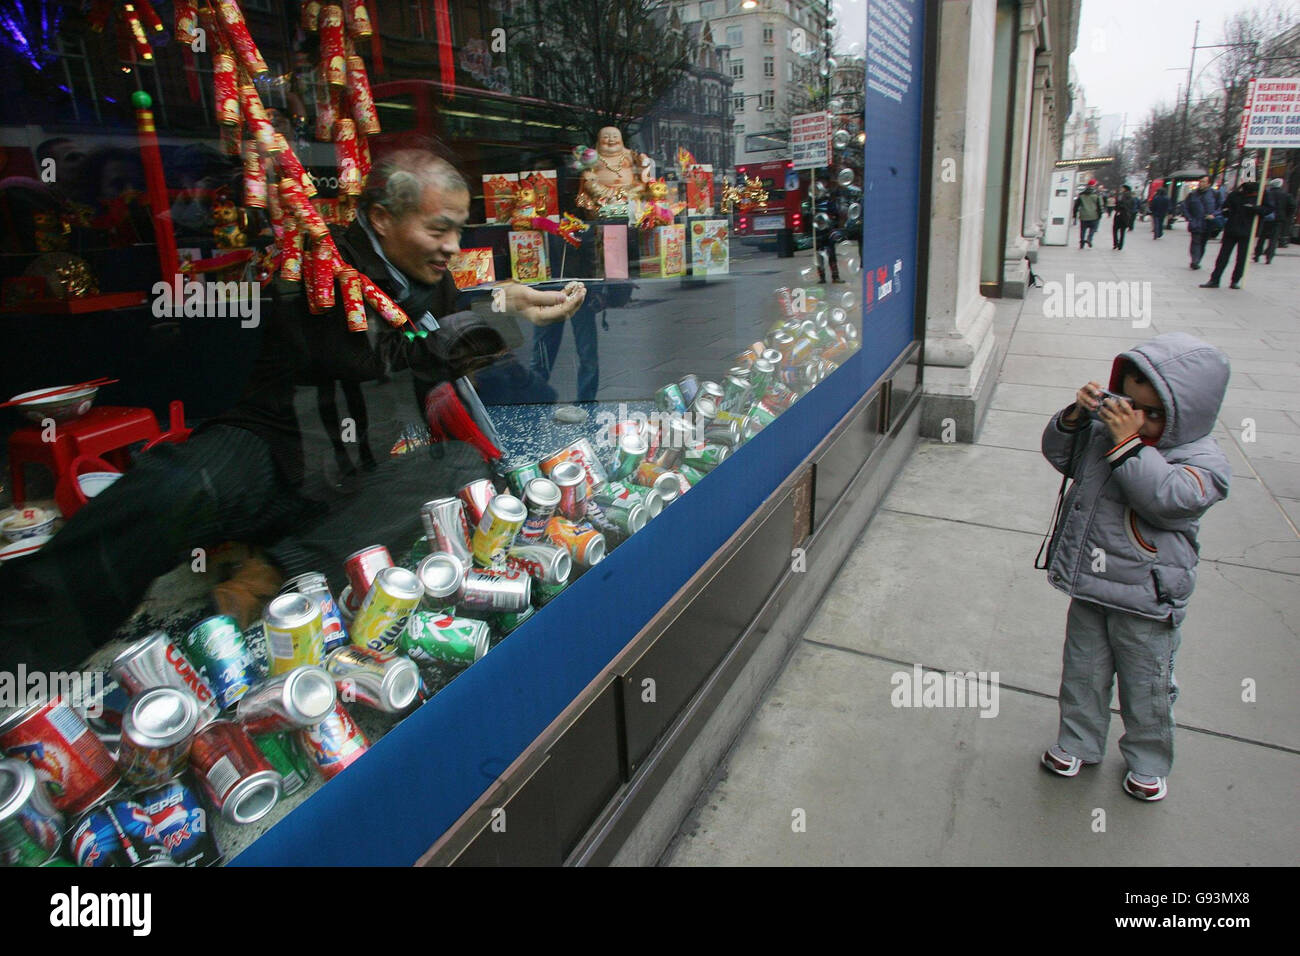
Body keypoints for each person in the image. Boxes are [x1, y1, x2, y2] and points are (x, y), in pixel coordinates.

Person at [0, 149, 586, 671]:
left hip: (351, 470)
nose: (453, 246)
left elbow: (442, 325)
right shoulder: (317, 266)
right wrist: (507, 317)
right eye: (440, 229)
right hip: (274, 447)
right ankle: (21, 654)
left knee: (457, 468)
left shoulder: (428, 276)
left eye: (458, 231)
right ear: (383, 217)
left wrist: (503, 297)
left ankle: (272, 572)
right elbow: (392, 356)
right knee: (170, 490)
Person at [1039, 332, 1230, 802]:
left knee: (1147, 683)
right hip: (1092, 581)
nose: (1135, 419)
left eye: (1153, 413)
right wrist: (1076, 418)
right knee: (1083, 669)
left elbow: (1167, 500)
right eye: (1127, 402)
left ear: (1188, 414)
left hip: (1147, 597)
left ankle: (1147, 757)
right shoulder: (1106, 431)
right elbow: (1062, 456)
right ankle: (1078, 740)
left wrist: (1128, 445)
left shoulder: (1202, 460)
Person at [1200, 180, 1261, 290]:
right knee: (1224, 256)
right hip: (1233, 229)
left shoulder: (1259, 196)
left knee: (1241, 258)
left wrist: (1255, 209)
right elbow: (1225, 208)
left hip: (1247, 231)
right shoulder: (1235, 196)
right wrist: (1228, 212)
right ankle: (1215, 279)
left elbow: (1267, 209)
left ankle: (1234, 280)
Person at [814, 175, 843, 283]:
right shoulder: (814, 200)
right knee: (820, 255)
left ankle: (835, 277)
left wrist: (834, 227)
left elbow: (835, 214)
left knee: (831, 254)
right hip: (818, 231)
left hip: (828, 230)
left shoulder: (828, 199)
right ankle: (822, 277)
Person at [1182, 176, 1214, 270]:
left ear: (1209, 184)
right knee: (1195, 242)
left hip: (1208, 223)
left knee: (1203, 243)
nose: (1201, 183)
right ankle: (1194, 260)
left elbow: (1220, 206)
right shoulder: (1192, 194)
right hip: (1195, 222)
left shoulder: (1214, 194)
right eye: (1200, 181)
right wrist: (1189, 218)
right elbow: (1185, 206)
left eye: (1203, 182)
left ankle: (1198, 259)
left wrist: (1214, 215)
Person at [1252, 178, 1287, 265]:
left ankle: (1257, 254)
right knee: (1273, 239)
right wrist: (1284, 215)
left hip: (1266, 218)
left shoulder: (1266, 193)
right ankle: (1269, 257)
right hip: (1278, 220)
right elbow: (1291, 206)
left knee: (1262, 237)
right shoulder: (1285, 195)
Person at [1072, 179, 1102, 248]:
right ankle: (1089, 239)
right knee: (1093, 229)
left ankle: (1082, 242)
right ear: (1094, 185)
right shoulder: (1096, 195)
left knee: (1082, 230)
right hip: (1094, 215)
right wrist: (1100, 215)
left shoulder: (1081, 195)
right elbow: (1099, 206)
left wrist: (1074, 214)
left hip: (1083, 215)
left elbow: (1076, 206)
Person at [1112, 185, 1137, 250]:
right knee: (1122, 231)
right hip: (1126, 216)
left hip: (1119, 215)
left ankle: (1115, 243)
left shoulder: (1121, 196)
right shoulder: (1132, 198)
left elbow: (1117, 205)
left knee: (1115, 229)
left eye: (1122, 188)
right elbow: (1133, 207)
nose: (1121, 189)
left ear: (1125, 189)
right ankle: (1121, 245)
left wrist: (1117, 208)